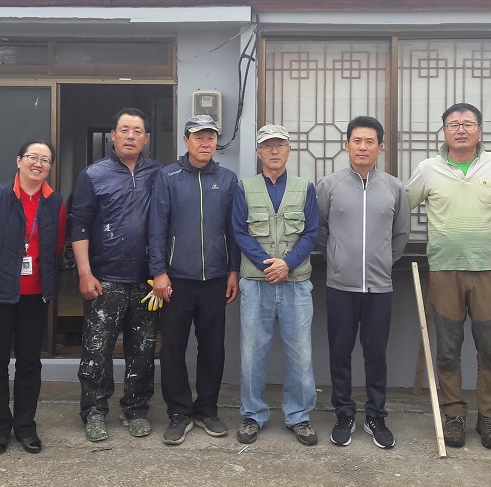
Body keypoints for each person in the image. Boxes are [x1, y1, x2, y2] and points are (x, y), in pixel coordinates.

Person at [405, 103, 491, 450]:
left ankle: (490, 417)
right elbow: (400, 206)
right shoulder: (427, 169)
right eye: (453, 124)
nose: (461, 130)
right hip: (444, 269)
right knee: (448, 349)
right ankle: (453, 414)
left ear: (480, 130)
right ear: (444, 131)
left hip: (488, 270)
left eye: (468, 124)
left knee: (490, 348)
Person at [0, 140, 66, 455]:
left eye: (45, 160)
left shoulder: (55, 202)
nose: (38, 164)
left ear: (50, 167)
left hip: (34, 296)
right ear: (19, 160)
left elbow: (58, 244)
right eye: (32, 157)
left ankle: (25, 427)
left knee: (29, 364)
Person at [316, 116, 410, 450]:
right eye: (357, 141)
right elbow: (320, 230)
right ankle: (343, 413)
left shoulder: (394, 188)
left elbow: (400, 236)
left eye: (370, 141)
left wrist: (383, 262)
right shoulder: (329, 185)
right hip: (340, 286)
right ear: (347, 145)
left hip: (380, 288)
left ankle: (375, 416)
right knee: (339, 353)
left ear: (380, 148)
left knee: (375, 354)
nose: (363, 147)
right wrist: (340, 259)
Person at [70, 108, 162, 442]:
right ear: (113, 134)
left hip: (147, 281)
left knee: (143, 349)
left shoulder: (158, 174)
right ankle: (94, 411)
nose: (131, 136)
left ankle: (135, 409)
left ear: (146, 138)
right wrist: (84, 273)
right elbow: (78, 224)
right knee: (98, 350)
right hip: (104, 278)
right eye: (125, 129)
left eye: (138, 131)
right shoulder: (93, 175)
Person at [148, 114, 240, 445]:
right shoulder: (168, 177)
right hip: (175, 281)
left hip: (215, 279)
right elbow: (157, 227)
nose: (205, 143)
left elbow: (234, 230)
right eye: (199, 137)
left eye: (211, 137)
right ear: (186, 141)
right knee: (173, 348)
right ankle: (179, 412)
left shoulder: (228, 180)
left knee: (212, 348)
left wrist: (233, 270)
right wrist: (159, 271)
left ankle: (207, 410)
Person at [231, 124, 320, 446]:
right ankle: (252, 415)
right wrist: (269, 265)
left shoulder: (304, 187)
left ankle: (299, 416)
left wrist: (288, 264)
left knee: (301, 355)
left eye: (279, 145)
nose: (273, 151)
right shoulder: (244, 187)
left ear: (288, 150)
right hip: (256, 284)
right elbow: (239, 231)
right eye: (267, 145)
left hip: (296, 284)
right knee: (252, 354)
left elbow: (311, 232)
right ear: (258, 152)